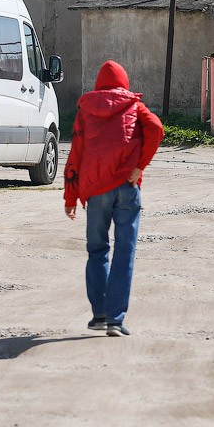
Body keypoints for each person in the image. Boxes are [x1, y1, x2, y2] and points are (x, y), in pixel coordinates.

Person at [64, 60, 164, 337]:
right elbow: (155, 128)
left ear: (98, 84)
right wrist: (139, 166)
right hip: (126, 185)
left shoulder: (86, 109)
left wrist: (70, 197)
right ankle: (116, 321)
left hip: (95, 189)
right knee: (124, 252)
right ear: (124, 83)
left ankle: (99, 314)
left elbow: (76, 153)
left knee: (97, 250)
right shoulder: (132, 104)